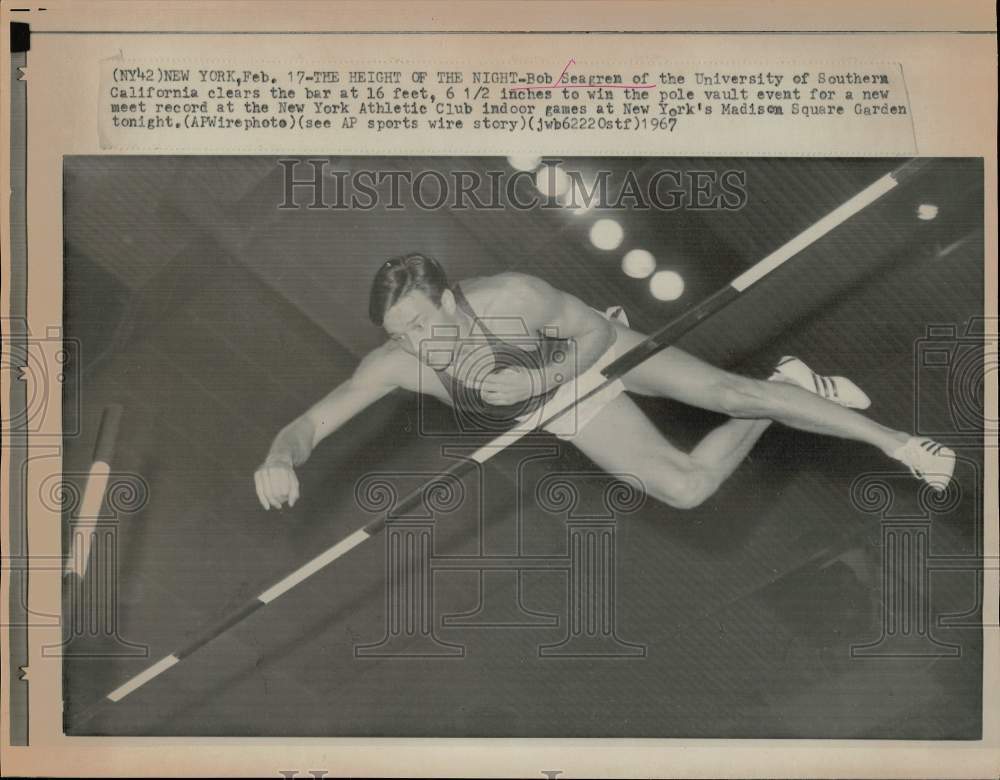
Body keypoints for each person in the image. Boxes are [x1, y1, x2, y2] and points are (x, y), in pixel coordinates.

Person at [254, 253, 955, 512]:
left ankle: (900, 444)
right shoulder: (397, 365)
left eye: (415, 323)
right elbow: (312, 422)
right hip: (565, 409)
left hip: (589, 349)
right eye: (396, 334)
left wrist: (552, 371)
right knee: (685, 489)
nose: (411, 342)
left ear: (448, 297)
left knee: (725, 393)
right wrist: (280, 457)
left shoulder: (512, 296)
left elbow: (588, 332)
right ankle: (792, 385)